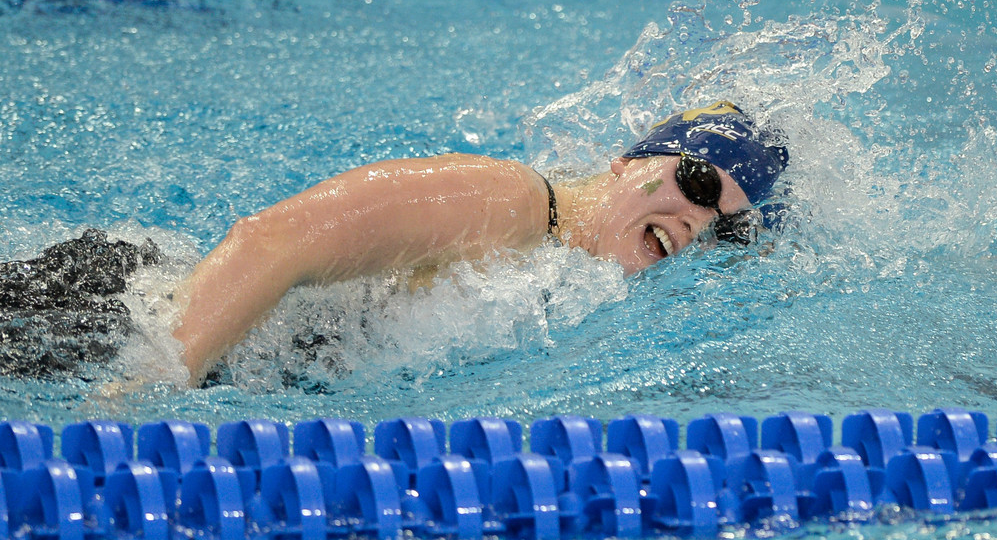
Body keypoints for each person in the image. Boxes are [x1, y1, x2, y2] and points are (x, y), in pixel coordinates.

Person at [0, 100, 788, 384]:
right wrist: (152, 381)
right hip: (106, 321)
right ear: (628, 163)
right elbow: (275, 238)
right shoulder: (511, 202)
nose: (700, 218)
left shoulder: (567, 273)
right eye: (696, 179)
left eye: (728, 225)